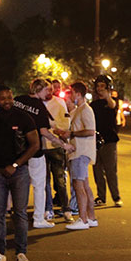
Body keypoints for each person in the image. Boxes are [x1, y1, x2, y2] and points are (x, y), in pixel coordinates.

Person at [0, 86, 40, 261]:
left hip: (19, 171)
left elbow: (35, 144)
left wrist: (16, 164)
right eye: (2, 98)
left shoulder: (23, 117)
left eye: (9, 98)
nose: (6, 101)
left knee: (19, 214)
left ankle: (21, 252)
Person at [14, 79, 67, 229]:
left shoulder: (18, 101)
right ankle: (38, 218)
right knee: (39, 185)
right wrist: (63, 144)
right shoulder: (39, 107)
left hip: (17, 150)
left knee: (18, 185)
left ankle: (18, 216)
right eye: (47, 90)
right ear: (38, 89)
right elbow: (44, 132)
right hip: (34, 151)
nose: (49, 93)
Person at [65, 81, 98, 230]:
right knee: (85, 186)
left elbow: (90, 131)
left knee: (78, 186)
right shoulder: (79, 110)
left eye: (71, 92)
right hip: (80, 152)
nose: (70, 95)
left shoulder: (85, 110)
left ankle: (83, 219)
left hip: (81, 152)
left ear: (78, 94)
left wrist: (72, 133)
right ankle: (91, 218)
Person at [43, 79, 73, 222]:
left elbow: (65, 123)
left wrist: (53, 127)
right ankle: (48, 208)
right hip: (41, 146)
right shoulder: (36, 104)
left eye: (50, 89)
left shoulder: (59, 103)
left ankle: (66, 208)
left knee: (60, 179)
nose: (49, 92)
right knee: (44, 181)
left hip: (56, 146)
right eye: (46, 89)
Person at [91, 75, 122, 207]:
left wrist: (107, 95)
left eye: (103, 86)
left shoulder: (112, 102)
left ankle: (116, 197)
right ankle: (101, 196)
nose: (100, 89)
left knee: (110, 170)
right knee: (97, 170)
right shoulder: (93, 104)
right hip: (95, 140)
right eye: (98, 86)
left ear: (108, 87)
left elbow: (112, 105)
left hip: (109, 140)